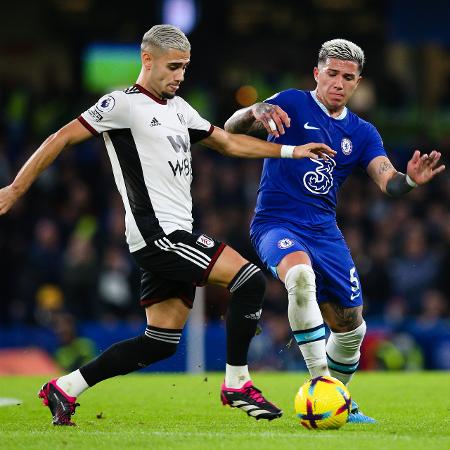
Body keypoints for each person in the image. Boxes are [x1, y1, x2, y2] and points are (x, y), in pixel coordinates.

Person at [0, 25, 335, 426]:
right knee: (250, 280)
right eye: (173, 67)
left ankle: (65, 388)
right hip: (159, 235)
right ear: (147, 60)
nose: (179, 76)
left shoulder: (180, 109)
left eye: (185, 68)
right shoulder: (120, 105)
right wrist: (15, 189)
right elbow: (59, 138)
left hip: (171, 233)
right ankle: (237, 383)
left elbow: (228, 142)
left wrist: (293, 151)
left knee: (159, 342)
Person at [224, 38, 445, 423]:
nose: (338, 83)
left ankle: (340, 397)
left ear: (358, 83)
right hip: (276, 222)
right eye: (332, 74)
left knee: (350, 329)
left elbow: (388, 181)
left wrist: (409, 180)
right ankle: (320, 384)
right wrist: (255, 109)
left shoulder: (362, 133)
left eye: (348, 77)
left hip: (325, 232)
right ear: (317, 73)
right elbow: (230, 128)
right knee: (301, 277)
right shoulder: (291, 102)